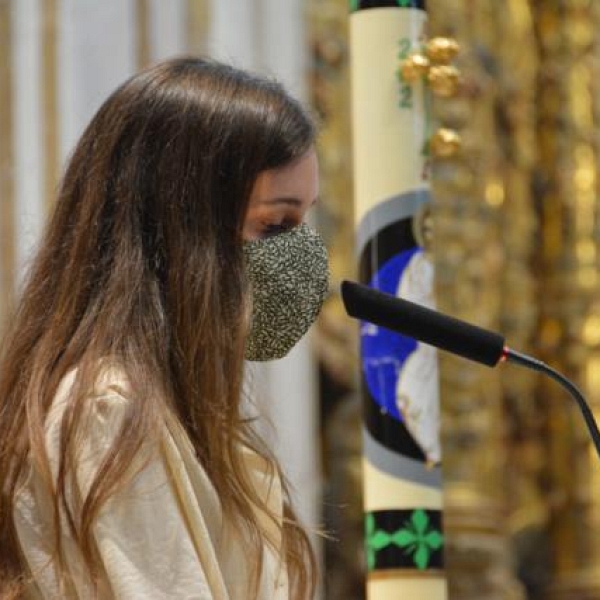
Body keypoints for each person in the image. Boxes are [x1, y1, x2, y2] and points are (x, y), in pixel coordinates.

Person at [0, 57, 329, 599]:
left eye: (303, 222)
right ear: (181, 226)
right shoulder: (109, 410)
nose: (301, 259)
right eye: (276, 224)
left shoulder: (185, 417)